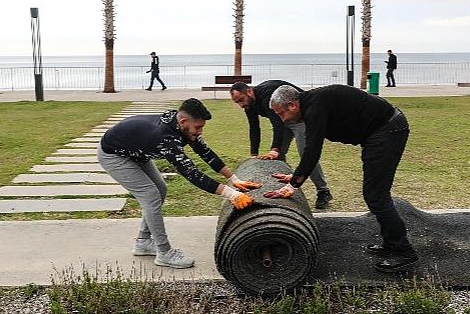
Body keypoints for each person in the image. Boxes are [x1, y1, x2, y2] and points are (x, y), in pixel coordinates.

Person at [265, 84, 417, 273]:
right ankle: (391, 244)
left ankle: (404, 252)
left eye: (281, 114)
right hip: (380, 132)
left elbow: (312, 150)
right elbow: (311, 150)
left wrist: (293, 185)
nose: (282, 119)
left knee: (376, 195)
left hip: (388, 130)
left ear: (292, 106)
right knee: (375, 194)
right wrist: (296, 176)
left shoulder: (314, 108)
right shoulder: (312, 104)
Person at [97, 98, 260, 268]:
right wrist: (231, 194)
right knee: (150, 195)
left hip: (136, 151)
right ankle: (164, 253)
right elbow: (192, 174)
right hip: (114, 155)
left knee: (160, 188)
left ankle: (143, 242)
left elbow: (205, 152)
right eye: (198, 127)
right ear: (183, 121)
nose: (200, 132)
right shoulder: (165, 138)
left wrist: (234, 179)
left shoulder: (181, 125)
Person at [229, 80, 333, 209]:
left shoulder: (266, 95)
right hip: (284, 120)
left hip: (299, 117)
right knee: (277, 156)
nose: (241, 104)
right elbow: (254, 128)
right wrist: (254, 154)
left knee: (306, 154)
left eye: (241, 99)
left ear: (249, 91)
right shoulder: (249, 105)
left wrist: (274, 149)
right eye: (237, 102)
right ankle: (280, 187)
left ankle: (323, 191)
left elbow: (277, 123)